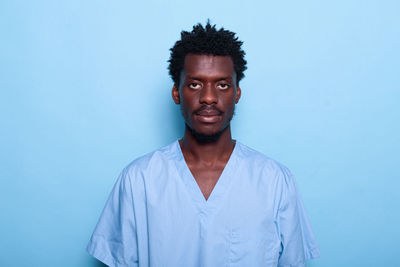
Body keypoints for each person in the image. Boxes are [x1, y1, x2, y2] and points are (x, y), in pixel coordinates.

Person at [86, 21, 320, 267]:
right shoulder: (139, 179)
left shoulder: (274, 181)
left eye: (222, 85)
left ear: (237, 93)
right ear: (176, 93)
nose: (208, 97)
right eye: (195, 84)